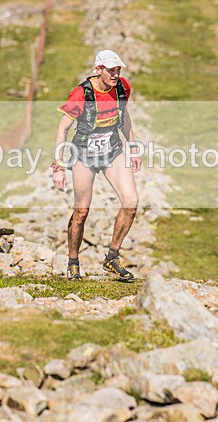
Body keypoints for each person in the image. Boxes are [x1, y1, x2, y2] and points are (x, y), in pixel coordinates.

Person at [52, 49, 141, 281]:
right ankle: (73, 262)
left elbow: (124, 115)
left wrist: (133, 147)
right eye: (111, 70)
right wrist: (59, 166)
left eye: (118, 70)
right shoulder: (82, 94)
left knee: (131, 202)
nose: (115, 75)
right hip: (84, 155)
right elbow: (63, 128)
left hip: (112, 151)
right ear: (98, 69)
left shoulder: (122, 87)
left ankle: (112, 257)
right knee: (81, 211)